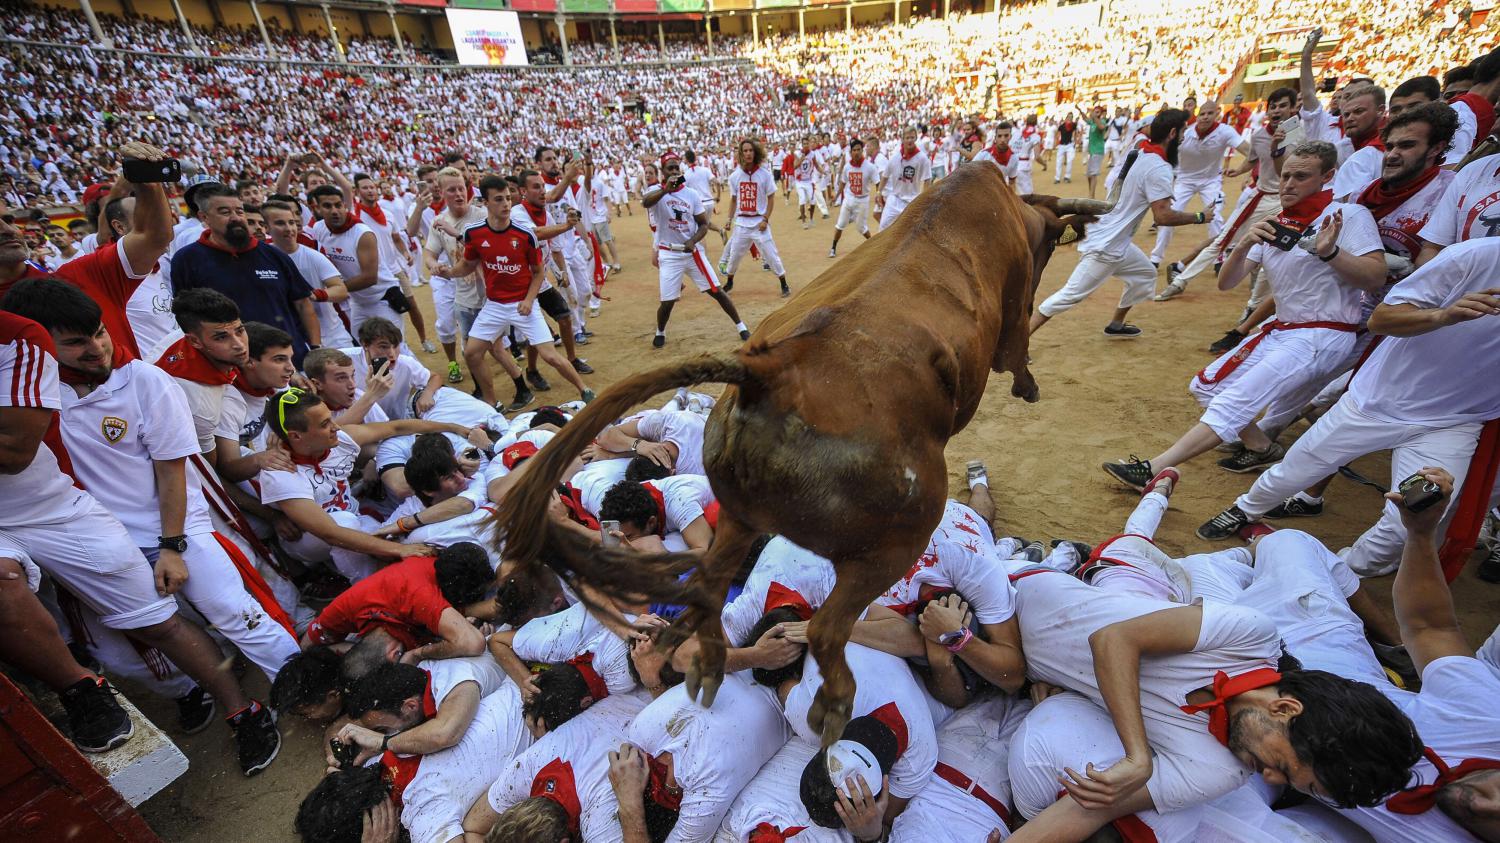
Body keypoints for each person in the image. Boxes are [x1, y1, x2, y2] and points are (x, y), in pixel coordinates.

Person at [5, 278, 301, 688]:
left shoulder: (145, 380)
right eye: (76, 343)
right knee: (119, 654)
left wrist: (172, 546)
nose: (97, 348)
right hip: (97, 539)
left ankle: (302, 684)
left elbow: (172, 471)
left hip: (173, 525)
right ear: (38, 346)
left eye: (100, 332)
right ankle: (195, 690)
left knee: (232, 609)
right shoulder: (26, 398)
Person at [1103, 141, 1388, 489]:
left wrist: (1331, 254)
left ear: (1327, 177)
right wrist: (1244, 244)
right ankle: (1262, 447)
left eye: (1301, 177)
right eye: (1285, 176)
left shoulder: (1346, 217)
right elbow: (1227, 283)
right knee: (1205, 387)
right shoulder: (1275, 224)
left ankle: (1152, 468)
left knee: (1233, 401)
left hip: (1323, 334)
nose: (1288, 184)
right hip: (1284, 330)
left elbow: (1375, 276)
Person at [0, 311, 136, 755]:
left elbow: (15, 451)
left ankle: (192, 692)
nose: (97, 348)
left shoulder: (14, 337)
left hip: (48, 506)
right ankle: (78, 687)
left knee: (150, 620)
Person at [256, 387, 475, 582]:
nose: (335, 427)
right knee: (352, 529)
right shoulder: (280, 473)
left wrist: (453, 427)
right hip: (307, 542)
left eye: (331, 419)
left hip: (354, 519)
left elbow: (396, 427)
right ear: (295, 436)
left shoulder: (339, 438)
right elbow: (331, 533)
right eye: (325, 424)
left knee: (385, 535)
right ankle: (373, 588)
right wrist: (399, 550)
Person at [1030, 109, 1209, 340]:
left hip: (1113, 239)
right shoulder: (1158, 167)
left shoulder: (1140, 151)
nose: (1185, 136)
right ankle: (1020, 340)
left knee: (1145, 273)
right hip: (1107, 246)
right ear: (1173, 133)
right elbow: (1162, 217)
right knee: (1070, 295)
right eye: (1184, 131)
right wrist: (1200, 217)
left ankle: (1116, 324)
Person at [0, 141, 174, 361]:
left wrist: (149, 183)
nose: (7, 230)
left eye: (9, 220)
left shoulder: (82, 276)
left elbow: (154, 237)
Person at [440, 175, 595, 408]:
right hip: (494, 306)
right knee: (472, 353)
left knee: (550, 355)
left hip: (524, 305)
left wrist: (529, 300)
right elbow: (468, 265)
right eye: (499, 199)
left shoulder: (525, 234)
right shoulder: (475, 233)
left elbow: (538, 272)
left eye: (508, 199)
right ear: (486, 203)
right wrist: (448, 273)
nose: (505, 204)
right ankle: (492, 402)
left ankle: (584, 389)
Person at [1157, 88, 1298, 303]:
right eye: (1274, 106)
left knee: (1278, 248)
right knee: (1223, 239)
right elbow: (1253, 159)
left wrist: (1276, 149)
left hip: (1289, 200)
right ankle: (1180, 279)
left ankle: (1255, 304)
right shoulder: (1260, 136)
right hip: (1262, 195)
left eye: (1283, 105)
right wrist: (1241, 171)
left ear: (1293, 108)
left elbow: (1286, 172)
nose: (1277, 110)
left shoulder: (1300, 132)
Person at [169, 184, 319, 364]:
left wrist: (315, 348)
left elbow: (303, 304)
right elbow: (187, 317)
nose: (235, 218)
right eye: (225, 212)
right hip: (232, 366)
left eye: (239, 211)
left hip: (290, 361)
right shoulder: (187, 259)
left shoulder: (273, 254)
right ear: (204, 217)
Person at [642, 155, 748, 349]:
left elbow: (703, 224)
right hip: (669, 253)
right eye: (669, 168)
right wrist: (666, 190)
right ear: (663, 172)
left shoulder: (691, 194)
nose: (674, 172)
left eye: (676, 168)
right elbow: (645, 203)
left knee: (716, 290)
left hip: (692, 253)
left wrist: (692, 240)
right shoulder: (656, 192)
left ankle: (741, 326)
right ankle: (660, 331)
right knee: (667, 302)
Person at [1148, 101, 1246, 268]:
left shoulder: (1225, 132)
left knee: (1215, 218)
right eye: (1202, 114)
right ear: (1198, 115)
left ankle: (1218, 258)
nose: (1205, 117)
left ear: (1218, 114)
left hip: (1211, 181)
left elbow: (1248, 150)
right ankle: (1155, 258)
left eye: (1210, 113)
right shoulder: (1186, 133)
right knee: (1169, 216)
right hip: (1184, 180)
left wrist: (1243, 170)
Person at [308, 183, 405, 334]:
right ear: (317, 209)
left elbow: (369, 277)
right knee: (362, 350)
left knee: (395, 350)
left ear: (345, 205)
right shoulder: (319, 229)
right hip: (358, 302)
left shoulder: (362, 233)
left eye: (338, 205)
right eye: (327, 206)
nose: (335, 211)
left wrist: (330, 290)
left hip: (382, 299)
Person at [262, 199, 352, 350]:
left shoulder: (313, 256)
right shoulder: (263, 256)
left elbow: (341, 290)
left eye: (291, 222)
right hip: (290, 341)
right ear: (266, 228)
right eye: (280, 223)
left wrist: (312, 295)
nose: (289, 228)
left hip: (331, 339)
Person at [722, 137, 791, 298]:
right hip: (742, 223)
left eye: (751, 150)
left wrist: (765, 218)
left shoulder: (764, 175)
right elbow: (733, 200)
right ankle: (730, 281)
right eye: (745, 151)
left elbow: (771, 197)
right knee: (734, 256)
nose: (748, 153)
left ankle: (784, 283)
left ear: (756, 152)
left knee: (771, 254)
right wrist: (728, 219)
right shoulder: (735, 176)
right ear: (740, 153)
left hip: (759, 223)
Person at [876, 126, 933, 231]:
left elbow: (927, 180)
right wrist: (879, 191)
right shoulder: (895, 157)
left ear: (916, 138)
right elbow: (885, 175)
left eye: (912, 137)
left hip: (912, 201)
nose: (910, 140)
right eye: (907, 138)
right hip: (895, 199)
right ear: (902, 139)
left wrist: (924, 200)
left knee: (915, 231)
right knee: (883, 227)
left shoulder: (922, 158)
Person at [830, 137, 879, 257]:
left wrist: (878, 196)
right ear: (850, 152)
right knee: (840, 224)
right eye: (854, 150)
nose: (856, 152)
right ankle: (833, 248)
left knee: (861, 228)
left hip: (863, 200)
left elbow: (878, 183)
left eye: (859, 150)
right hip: (849, 198)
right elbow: (843, 183)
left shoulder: (870, 167)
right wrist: (836, 197)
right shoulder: (847, 167)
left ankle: (873, 245)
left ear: (862, 151)